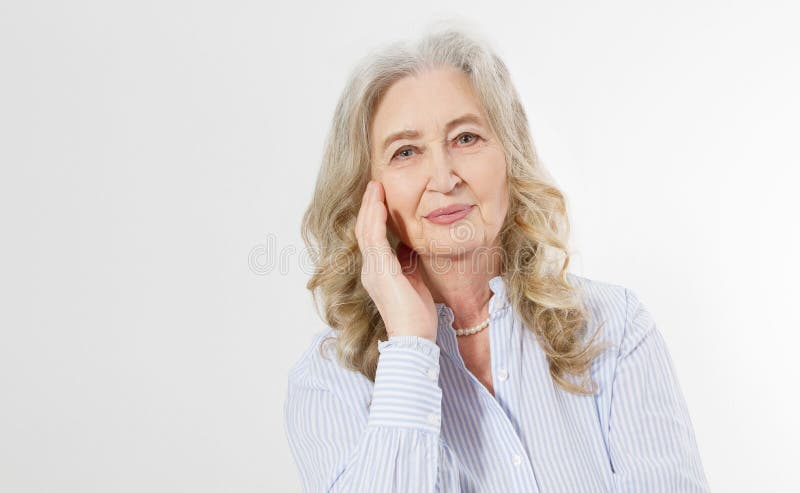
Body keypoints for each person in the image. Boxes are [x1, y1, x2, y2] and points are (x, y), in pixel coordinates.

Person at [284, 22, 710, 492]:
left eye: (466, 138)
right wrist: (410, 346)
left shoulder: (615, 327)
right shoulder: (327, 381)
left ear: (510, 154)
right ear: (366, 191)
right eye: (406, 152)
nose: (444, 177)